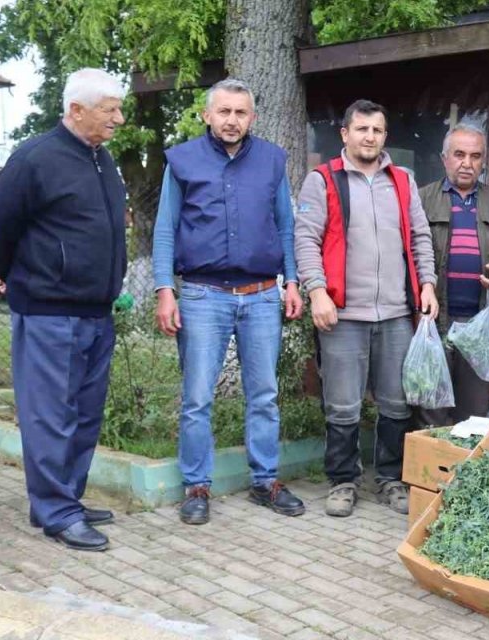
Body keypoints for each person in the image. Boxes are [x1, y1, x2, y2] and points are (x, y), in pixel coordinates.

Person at [0, 68, 127, 551]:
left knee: (85, 414)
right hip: (48, 311)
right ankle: (55, 511)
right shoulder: (35, 159)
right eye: (110, 110)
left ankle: (66, 498)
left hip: (96, 311)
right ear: (76, 109)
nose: (119, 119)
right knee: (50, 414)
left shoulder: (102, 160)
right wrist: (17, 278)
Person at [153, 78, 306, 525]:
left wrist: (292, 281)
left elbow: (285, 226)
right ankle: (196, 485)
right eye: (224, 111)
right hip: (202, 296)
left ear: (252, 118)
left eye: (240, 112)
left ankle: (265, 481)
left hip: (261, 296)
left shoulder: (272, 161)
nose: (232, 120)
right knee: (197, 397)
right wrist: (166, 289)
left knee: (264, 395)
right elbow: (165, 229)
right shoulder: (182, 161)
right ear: (207, 115)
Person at [295, 100, 438, 517]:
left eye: (376, 130)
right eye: (361, 129)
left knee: (396, 402)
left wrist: (427, 285)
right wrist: (317, 292)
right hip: (343, 313)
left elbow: (420, 237)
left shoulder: (403, 181)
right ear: (345, 134)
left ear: (384, 136)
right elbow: (305, 240)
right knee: (342, 404)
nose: (369, 137)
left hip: (396, 314)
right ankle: (342, 480)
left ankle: (391, 478)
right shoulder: (322, 181)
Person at [421, 122, 489, 424]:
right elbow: (406, 253)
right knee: (431, 405)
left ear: (483, 160)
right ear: (444, 158)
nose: (467, 163)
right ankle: (429, 468)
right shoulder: (421, 199)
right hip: (432, 320)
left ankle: (463, 468)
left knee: (473, 410)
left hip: (479, 323)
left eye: (475, 156)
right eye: (459, 154)